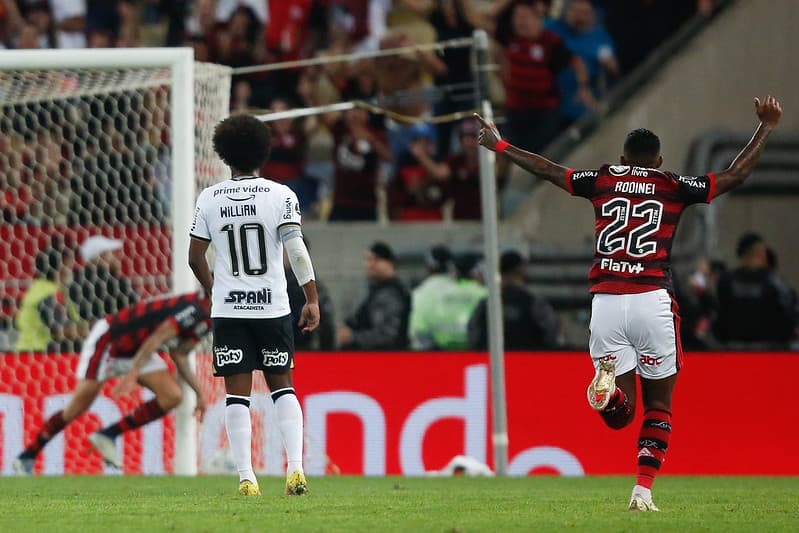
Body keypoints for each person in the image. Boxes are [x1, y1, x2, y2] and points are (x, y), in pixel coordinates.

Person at [474, 94, 783, 511]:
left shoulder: (603, 179)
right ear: (657, 161)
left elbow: (550, 170)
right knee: (659, 405)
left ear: (622, 157)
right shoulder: (674, 184)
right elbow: (734, 175)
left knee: (622, 415)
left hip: (605, 303)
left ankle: (610, 395)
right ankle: (642, 490)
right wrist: (765, 127)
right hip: (651, 298)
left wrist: (500, 146)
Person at [189, 114, 320, 497]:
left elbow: (195, 257)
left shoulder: (209, 198)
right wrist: (310, 297)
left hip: (229, 310)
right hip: (272, 308)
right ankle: (295, 470)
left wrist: (216, 288)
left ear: (224, 155)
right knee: (283, 388)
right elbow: (295, 249)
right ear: (263, 151)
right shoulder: (282, 196)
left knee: (236, 395)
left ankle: (247, 477)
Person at [12, 292, 210, 474]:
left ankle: (108, 435)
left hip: (136, 350)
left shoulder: (209, 318)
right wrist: (133, 375)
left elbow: (180, 354)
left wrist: (199, 394)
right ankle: (27, 456)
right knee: (76, 408)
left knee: (172, 396)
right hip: (110, 341)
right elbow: (156, 338)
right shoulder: (194, 308)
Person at [714, 233, 797, 348]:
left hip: (732, 351)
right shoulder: (776, 283)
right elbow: (791, 312)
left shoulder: (726, 282)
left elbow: (716, 316)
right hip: (771, 353)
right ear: (760, 251)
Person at [468, 250, 559, 350]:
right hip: (528, 359)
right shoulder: (532, 301)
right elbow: (550, 329)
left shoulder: (487, 302)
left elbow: (473, 331)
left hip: (492, 359)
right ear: (520, 269)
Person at [410, 246, 487, 350]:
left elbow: (418, 329)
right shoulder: (483, 293)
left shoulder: (419, 292)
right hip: (474, 350)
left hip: (433, 350)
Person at [337, 242, 410, 350]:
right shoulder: (377, 290)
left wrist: (352, 337)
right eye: (367, 260)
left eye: (375, 260)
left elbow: (387, 335)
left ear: (389, 263)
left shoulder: (392, 294)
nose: (369, 265)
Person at [15, 247, 86, 353]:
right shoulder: (50, 293)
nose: (72, 267)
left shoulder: (38, 288)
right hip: (41, 353)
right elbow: (63, 330)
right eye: (69, 263)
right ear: (59, 268)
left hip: (28, 351)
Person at [71, 235, 137, 324]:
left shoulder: (76, 281)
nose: (119, 256)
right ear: (100, 257)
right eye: (113, 253)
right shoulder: (113, 283)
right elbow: (134, 310)